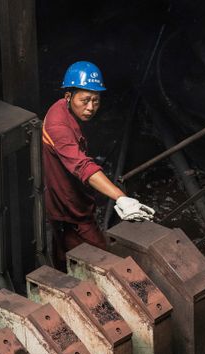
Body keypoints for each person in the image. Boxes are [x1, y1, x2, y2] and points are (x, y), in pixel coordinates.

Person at [42, 61, 154, 271]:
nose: (91, 107)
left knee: (63, 254)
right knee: (102, 261)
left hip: (65, 201)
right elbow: (83, 166)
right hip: (70, 207)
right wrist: (121, 197)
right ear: (68, 97)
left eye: (96, 100)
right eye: (84, 101)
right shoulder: (58, 127)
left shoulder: (63, 110)